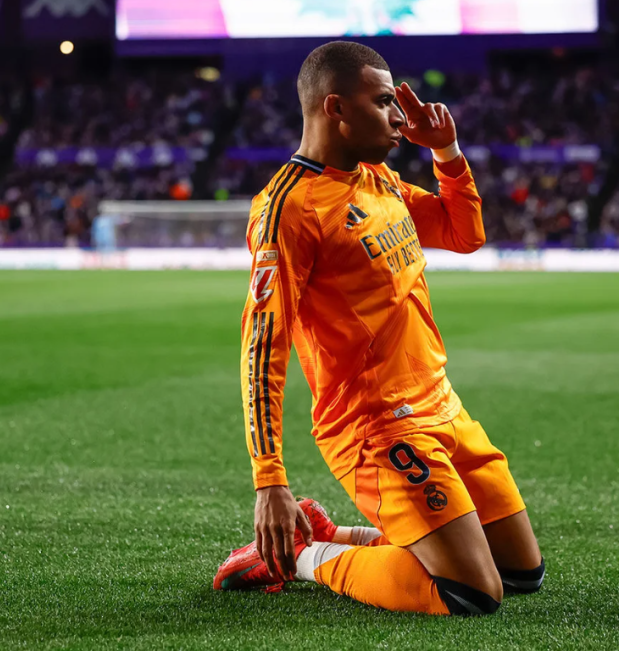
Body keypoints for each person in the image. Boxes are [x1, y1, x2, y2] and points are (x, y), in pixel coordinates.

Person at [213, 41, 544, 615]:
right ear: (336, 108)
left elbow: (464, 233)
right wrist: (270, 480)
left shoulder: (379, 180)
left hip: (443, 407)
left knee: (521, 573)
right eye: (384, 101)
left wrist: (445, 152)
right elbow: (262, 346)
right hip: (376, 427)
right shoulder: (289, 209)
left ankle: (328, 534)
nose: (398, 117)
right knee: (471, 593)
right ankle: (301, 557)